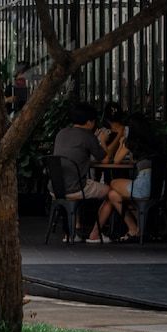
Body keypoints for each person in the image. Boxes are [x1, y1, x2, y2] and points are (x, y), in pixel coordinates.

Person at [52, 101, 120, 242]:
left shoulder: (61, 133)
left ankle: (71, 233)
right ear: (89, 122)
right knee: (112, 193)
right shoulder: (87, 136)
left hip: (56, 187)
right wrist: (102, 140)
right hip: (76, 187)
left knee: (74, 189)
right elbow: (106, 160)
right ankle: (95, 233)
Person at [102, 112, 163, 241]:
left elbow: (117, 160)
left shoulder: (132, 142)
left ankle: (135, 228)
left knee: (113, 183)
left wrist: (122, 141)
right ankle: (134, 229)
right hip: (159, 188)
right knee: (113, 195)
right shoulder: (154, 142)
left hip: (144, 187)